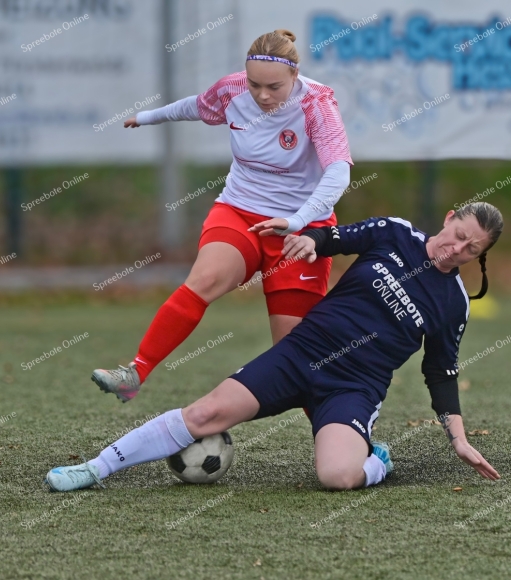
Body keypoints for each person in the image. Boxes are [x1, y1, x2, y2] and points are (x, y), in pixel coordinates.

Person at [46, 202, 504, 492]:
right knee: (204, 414)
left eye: (470, 249)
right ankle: (95, 468)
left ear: (479, 255)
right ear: (448, 218)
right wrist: (311, 239)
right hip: (299, 354)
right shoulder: (396, 232)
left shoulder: (454, 303)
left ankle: (376, 462)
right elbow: (339, 238)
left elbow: (441, 371)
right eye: (457, 234)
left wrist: (458, 439)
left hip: (354, 387)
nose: (455, 249)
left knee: (338, 477)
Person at [93, 29, 354, 403]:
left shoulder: (318, 104)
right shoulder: (232, 90)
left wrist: (297, 221)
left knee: (296, 355)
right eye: (254, 85)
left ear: (295, 76)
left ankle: (352, 436)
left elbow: (338, 172)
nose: (262, 95)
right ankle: (135, 372)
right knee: (206, 278)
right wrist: (147, 117)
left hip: (303, 230)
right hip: (239, 211)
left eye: (274, 87)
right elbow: (194, 107)